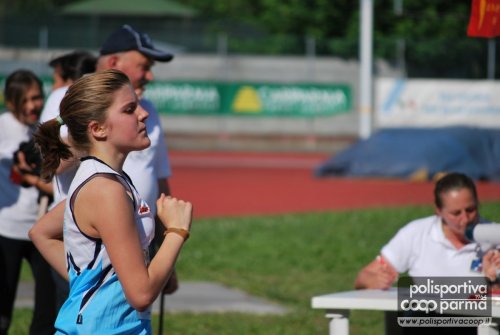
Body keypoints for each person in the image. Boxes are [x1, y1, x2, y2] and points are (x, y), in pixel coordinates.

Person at [30, 69, 192, 334]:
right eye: (129, 110)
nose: (143, 114)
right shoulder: (106, 190)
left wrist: (87, 285)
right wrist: (176, 231)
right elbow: (141, 294)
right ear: (98, 128)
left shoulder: (105, 180)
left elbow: (41, 232)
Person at [354, 172, 500, 334]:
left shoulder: (494, 235)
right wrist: (374, 280)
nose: (465, 219)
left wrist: (492, 281)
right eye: (456, 213)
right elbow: (365, 276)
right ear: (438, 211)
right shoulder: (416, 234)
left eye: (470, 210)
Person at [0, 69, 56, 335]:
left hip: (41, 230)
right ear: (11, 102)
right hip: (5, 230)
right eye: (25, 100)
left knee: (47, 307)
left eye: (37, 98)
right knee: (2, 308)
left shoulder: (45, 131)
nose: (33, 105)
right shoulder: (2, 127)